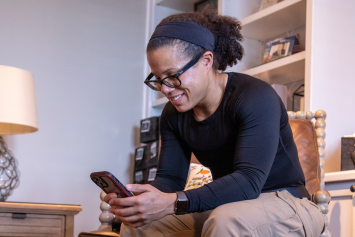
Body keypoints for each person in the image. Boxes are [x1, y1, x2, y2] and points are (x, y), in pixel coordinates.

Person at [104, 8, 324, 237]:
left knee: (226, 221)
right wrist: (141, 201)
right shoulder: (173, 115)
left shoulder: (255, 97)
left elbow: (248, 181)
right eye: (158, 80)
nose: (166, 89)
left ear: (206, 61)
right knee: (141, 223)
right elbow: (170, 179)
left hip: (288, 203)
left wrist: (172, 202)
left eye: (172, 76)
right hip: (231, 204)